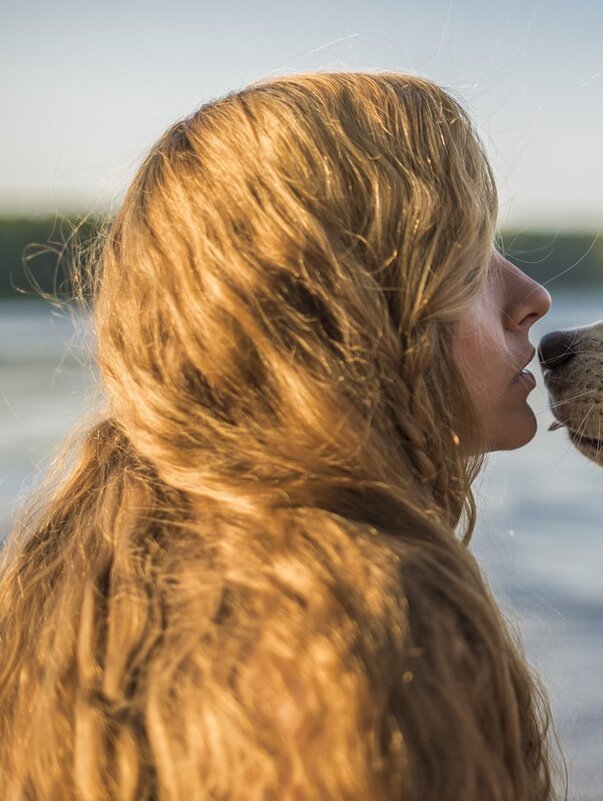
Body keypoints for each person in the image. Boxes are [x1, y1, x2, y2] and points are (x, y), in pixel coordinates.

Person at [0, 72, 559, 800]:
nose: (532, 298)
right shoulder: (368, 617)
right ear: (342, 307)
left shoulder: (70, 590)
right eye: (467, 259)